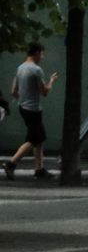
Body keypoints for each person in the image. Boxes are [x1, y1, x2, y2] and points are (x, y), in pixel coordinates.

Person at [4, 41, 58, 181]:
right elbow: (44, 91)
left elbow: (13, 91)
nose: (42, 57)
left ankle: (39, 169)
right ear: (37, 53)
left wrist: (24, 96)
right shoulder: (36, 70)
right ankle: (11, 163)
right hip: (33, 109)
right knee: (35, 138)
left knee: (37, 139)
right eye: (42, 54)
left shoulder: (20, 67)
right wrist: (51, 81)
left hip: (23, 107)